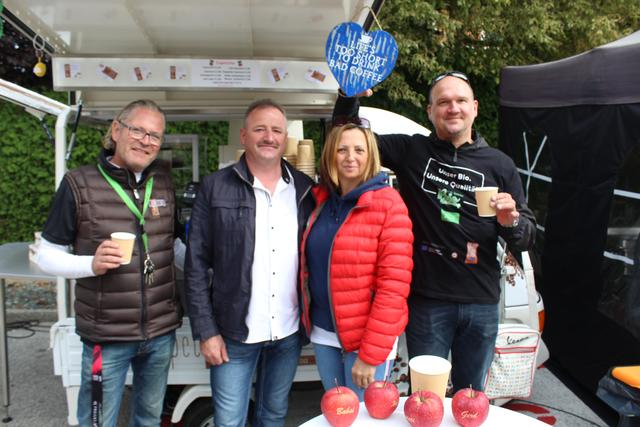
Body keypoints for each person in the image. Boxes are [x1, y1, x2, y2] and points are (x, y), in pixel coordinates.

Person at [333, 70, 536, 393]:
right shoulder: (411, 151)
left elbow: (525, 237)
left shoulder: (499, 164)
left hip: (481, 301)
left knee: (471, 398)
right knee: (425, 398)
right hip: (428, 302)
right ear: (430, 111)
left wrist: (510, 220)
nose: (452, 108)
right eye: (443, 102)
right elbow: (347, 138)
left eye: (460, 101)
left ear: (475, 107)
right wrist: (349, 96)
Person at [36, 99, 182, 426]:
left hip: (159, 332)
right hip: (107, 335)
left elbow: (173, 244)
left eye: (155, 135)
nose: (146, 141)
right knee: (97, 421)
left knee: (148, 417)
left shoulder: (162, 182)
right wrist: (91, 264)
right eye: (138, 130)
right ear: (116, 130)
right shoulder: (78, 183)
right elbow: (46, 255)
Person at [184, 99, 315, 426]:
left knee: (273, 416)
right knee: (229, 421)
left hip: (287, 332)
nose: (268, 137)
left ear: (285, 139)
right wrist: (206, 331)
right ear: (243, 136)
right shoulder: (215, 187)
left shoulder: (304, 189)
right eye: (260, 129)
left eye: (276, 130)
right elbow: (196, 264)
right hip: (232, 335)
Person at [299, 120, 413, 400]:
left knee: (363, 418)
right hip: (325, 333)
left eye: (359, 150)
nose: (351, 157)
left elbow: (393, 288)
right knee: (337, 412)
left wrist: (370, 355)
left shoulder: (388, 204)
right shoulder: (321, 202)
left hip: (365, 342)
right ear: (330, 156)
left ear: (370, 155)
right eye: (342, 149)